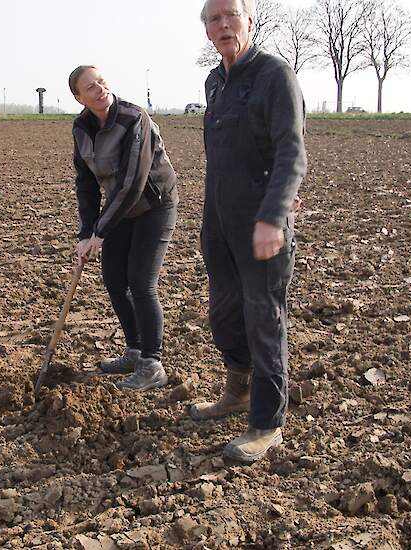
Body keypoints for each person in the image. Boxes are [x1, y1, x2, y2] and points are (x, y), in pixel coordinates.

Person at [190, 0, 307, 462]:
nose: (222, 25)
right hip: (219, 223)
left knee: (265, 320)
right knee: (223, 314)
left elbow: (291, 152)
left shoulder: (274, 75)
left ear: (248, 22)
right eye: (213, 19)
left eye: (230, 16)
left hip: (263, 225)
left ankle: (266, 422)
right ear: (207, 31)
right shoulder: (215, 81)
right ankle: (236, 389)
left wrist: (273, 215)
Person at [68, 65, 180, 391]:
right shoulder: (81, 129)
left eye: (101, 81)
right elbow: (86, 184)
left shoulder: (134, 118)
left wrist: (100, 232)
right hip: (120, 209)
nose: (100, 89)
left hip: (154, 204)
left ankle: (152, 364)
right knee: (115, 279)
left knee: (140, 282)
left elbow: (132, 183)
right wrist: (86, 232)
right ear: (79, 97)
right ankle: (134, 351)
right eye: (90, 87)